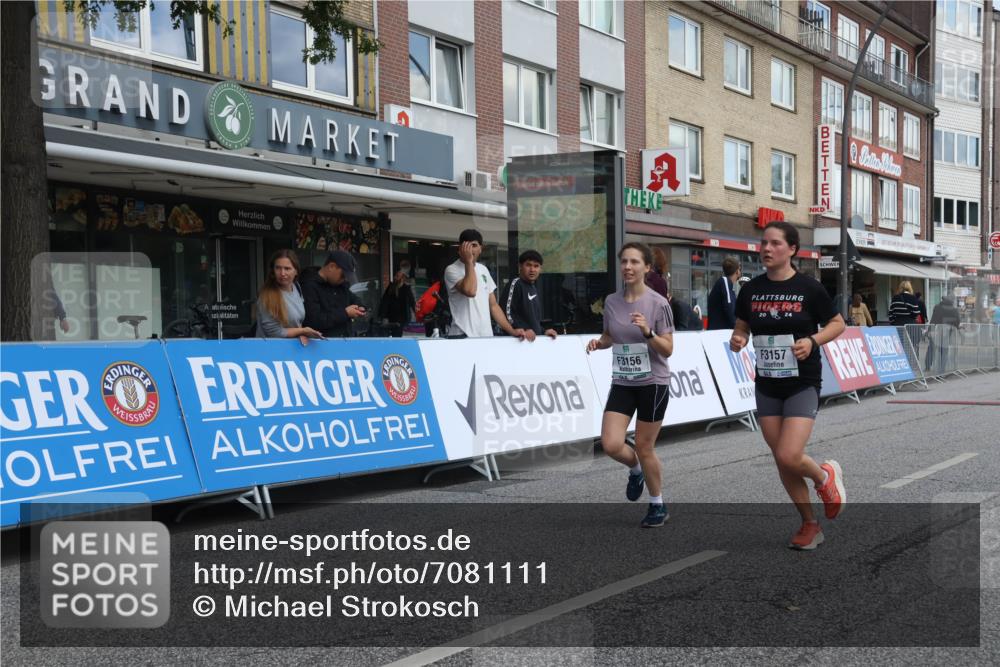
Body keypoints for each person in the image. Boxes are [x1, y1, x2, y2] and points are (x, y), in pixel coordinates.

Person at [730, 221, 846, 550]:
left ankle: (825, 477)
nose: (766, 249)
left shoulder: (810, 288)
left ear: (792, 249)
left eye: (775, 243)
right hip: (767, 383)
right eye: (763, 243)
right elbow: (743, 326)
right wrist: (739, 338)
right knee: (782, 459)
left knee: (789, 453)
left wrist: (812, 340)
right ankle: (810, 524)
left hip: (802, 382)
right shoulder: (751, 290)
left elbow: (838, 324)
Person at [586, 242, 675, 528]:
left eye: (635, 262)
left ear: (647, 268)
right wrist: (599, 343)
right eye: (624, 261)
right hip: (624, 380)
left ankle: (657, 504)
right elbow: (611, 334)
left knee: (645, 446)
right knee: (611, 444)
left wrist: (647, 332)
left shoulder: (658, 303)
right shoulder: (612, 301)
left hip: (653, 383)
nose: (628, 267)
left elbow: (668, 349)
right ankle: (635, 469)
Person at [443, 229, 525, 339]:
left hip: (485, 335)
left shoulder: (483, 269)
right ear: (460, 248)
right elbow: (470, 291)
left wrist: (512, 331)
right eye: (467, 245)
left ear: (481, 249)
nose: (471, 249)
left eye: (474, 245)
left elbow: (493, 306)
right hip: (462, 335)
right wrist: (469, 262)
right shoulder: (452, 269)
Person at [255, 250, 324, 343]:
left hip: (291, 352)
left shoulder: (296, 287)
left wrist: (301, 333)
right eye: (278, 268)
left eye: (287, 268)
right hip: (270, 353)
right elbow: (274, 333)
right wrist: (303, 331)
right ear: (273, 270)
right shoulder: (266, 296)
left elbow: (296, 321)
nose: (282, 273)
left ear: (296, 271)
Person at [302, 250, 366, 338]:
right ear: (331, 266)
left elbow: (355, 299)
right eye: (343, 275)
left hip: (346, 342)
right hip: (322, 345)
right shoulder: (309, 286)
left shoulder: (340, 286)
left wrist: (360, 308)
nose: (344, 279)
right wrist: (345, 313)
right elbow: (314, 321)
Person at [500, 250, 557, 341]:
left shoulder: (533, 287)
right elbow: (505, 313)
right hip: (517, 343)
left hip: (532, 343)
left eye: (536, 266)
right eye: (528, 265)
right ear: (520, 266)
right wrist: (524, 329)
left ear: (540, 269)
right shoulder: (516, 284)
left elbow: (533, 321)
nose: (532, 270)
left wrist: (543, 331)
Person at [925, 296, 961, 373]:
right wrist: (955, 328)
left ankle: (928, 366)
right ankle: (942, 369)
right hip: (947, 332)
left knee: (931, 348)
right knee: (944, 350)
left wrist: (929, 331)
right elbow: (957, 320)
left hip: (935, 330)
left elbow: (933, 319)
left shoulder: (937, 307)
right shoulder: (954, 310)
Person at [378, 269, 416, 337]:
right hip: (392, 317)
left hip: (403, 318)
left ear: (402, 278)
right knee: (394, 334)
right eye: (395, 276)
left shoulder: (406, 288)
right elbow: (385, 302)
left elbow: (412, 301)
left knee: (400, 334)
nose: (395, 277)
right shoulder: (391, 287)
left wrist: (417, 312)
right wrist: (383, 316)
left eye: (397, 276)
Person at [707, 256, 741, 330]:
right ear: (737, 271)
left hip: (721, 332)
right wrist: (738, 329)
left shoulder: (728, 286)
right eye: (739, 269)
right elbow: (729, 307)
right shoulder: (724, 281)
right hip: (719, 333)